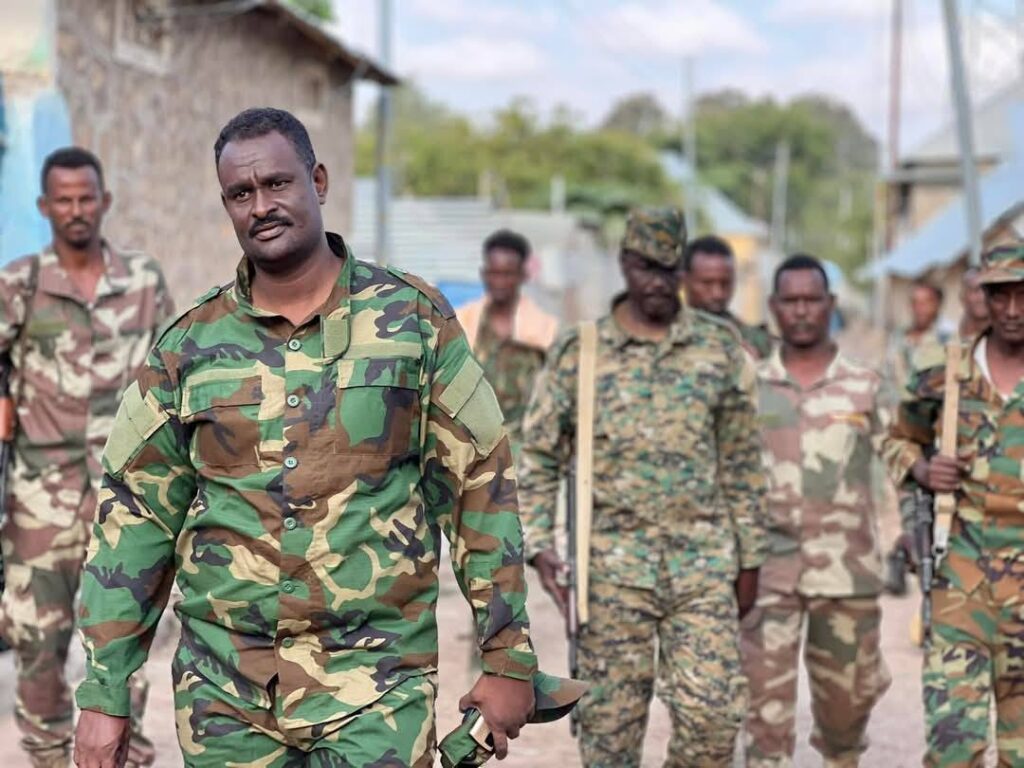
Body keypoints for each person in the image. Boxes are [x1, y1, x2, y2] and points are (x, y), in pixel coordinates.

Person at [71, 108, 544, 768]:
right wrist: (103, 693)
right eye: (240, 194)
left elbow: (478, 491)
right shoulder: (188, 347)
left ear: (318, 181)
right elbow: (137, 518)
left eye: (277, 184)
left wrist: (508, 657)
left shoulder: (412, 320)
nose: (260, 205)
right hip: (226, 698)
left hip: (377, 687)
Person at [519, 208, 767, 767]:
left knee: (715, 719)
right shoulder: (582, 351)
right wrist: (539, 547)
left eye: (669, 267)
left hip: (702, 566)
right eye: (645, 267)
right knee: (609, 738)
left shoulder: (717, 349)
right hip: (610, 575)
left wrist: (750, 557)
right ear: (625, 264)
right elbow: (537, 454)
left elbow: (742, 463)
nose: (657, 281)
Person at [0, 147, 172, 768]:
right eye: (63, 200)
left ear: (105, 201)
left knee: (121, 640)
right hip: (37, 503)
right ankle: (49, 756)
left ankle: (125, 754)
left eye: (86, 197)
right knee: (38, 645)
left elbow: (170, 376)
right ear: (45, 207)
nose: (76, 210)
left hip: (126, 500)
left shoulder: (145, 281)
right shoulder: (18, 284)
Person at [741, 254, 892, 768]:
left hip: (847, 579)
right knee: (764, 727)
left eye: (812, 300)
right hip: (767, 578)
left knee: (845, 725)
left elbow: (903, 458)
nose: (802, 311)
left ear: (830, 306)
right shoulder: (750, 387)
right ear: (775, 308)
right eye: (791, 300)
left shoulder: (866, 386)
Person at [883, 243, 1024, 768]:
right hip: (961, 592)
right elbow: (896, 437)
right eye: (1000, 295)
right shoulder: (945, 374)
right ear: (981, 298)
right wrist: (922, 469)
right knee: (952, 750)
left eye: (1022, 296)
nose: (1012, 310)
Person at [456, 229, 558, 449]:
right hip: (471, 452)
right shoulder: (462, 323)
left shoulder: (544, 329)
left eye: (507, 273)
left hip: (526, 453)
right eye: (493, 273)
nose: (499, 281)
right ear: (484, 273)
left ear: (523, 275)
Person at [681, 234, 774, 359]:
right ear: (684, 280)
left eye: (725, 283)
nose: (717, 293)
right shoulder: (663, 332)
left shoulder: (755, 340)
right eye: (707, 283)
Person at [959, 265, 990, 340]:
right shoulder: (945, 338)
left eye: (987, 290)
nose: (982, 297)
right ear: (963, 297)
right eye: (975, 290)